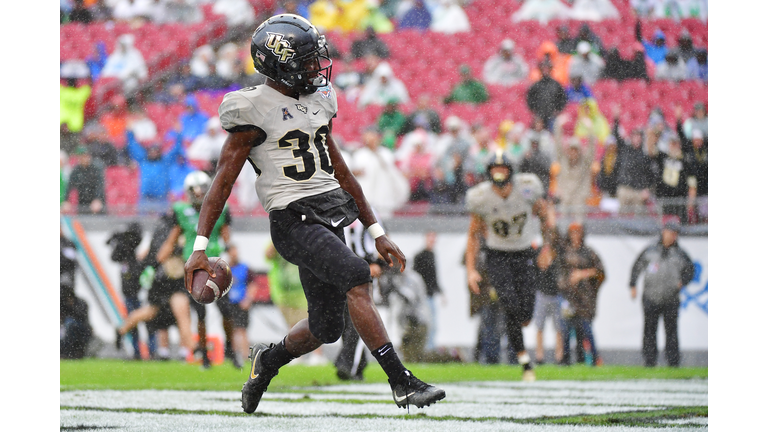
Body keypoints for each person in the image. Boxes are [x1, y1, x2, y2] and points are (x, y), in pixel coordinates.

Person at [184, 14, 445, 413]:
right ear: (278, 63)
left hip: (327, 213)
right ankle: (401, 381)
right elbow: (221, 181)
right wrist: (200, 245)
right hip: (291, 218)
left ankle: (266, 362)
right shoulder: (252, 108)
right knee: (357, 275)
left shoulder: (318, 100)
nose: (314, 68)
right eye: (305, 61)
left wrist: (376, 230)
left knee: (326, 327)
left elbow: (340, 171)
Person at [464, 150, 557, 381]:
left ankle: (523, 356)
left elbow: (546, 217)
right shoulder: (481, 197)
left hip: (524, 252)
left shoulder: (527, 189)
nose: (498, 173)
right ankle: (525, 361)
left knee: (525, 312)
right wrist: (471, 269)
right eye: (494, 169)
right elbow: (474, 235)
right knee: (509, 304)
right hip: (497, 255)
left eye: (502, 169)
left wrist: (548, 247)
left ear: (511, 171)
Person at [156, 171, 232, 368]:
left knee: (226, 310)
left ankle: (231, 348)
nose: (199, 195)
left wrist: (232, 252)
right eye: (195, 191)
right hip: (195, 267)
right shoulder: (181, 211)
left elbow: (227, 237)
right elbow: (172, 239)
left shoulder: (220, 209)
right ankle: (204, 354)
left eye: (202, 191)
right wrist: (157, 260)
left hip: (215, 264)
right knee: (200, 312)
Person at [630, 220, 695, 367]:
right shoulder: (651, 250)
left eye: (675, 234)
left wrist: (683, 281)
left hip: (671, 297)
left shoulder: (680, 253)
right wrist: (632, 284)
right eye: (670, 232)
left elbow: (690, 270)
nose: (672, 236)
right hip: (650, 296)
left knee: (671, 332)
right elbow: (637, 266)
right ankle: (649, 361)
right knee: (649, 330)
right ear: (663, 232)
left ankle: (673, 362)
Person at [556, 222, 605, 366]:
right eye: (573, 233)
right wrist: (566, 283)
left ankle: (595, 358)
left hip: (584, 298)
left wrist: (583, 274)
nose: (575, 236)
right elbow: (559, 273)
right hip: (568, 296)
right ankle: (565, 360)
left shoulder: (589, 253)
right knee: (565, 328)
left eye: (578, 233)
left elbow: (600, 272)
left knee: (586, 329)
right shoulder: (565, 252)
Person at [350, 127, 410, 220]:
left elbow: (389, 167)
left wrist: (375, 150)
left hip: (383, 198)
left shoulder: (385, 153)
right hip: (366, 199)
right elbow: (353, 172)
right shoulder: (359, 154)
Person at [106, 222, 145, 360]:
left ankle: (144, 351)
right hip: (130, 290)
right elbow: (114, 257)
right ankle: (138, 352)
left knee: (142, 320)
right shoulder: (126, 255)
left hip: (137, 290)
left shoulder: (133, 252)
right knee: (136, 321)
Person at [126, 129, 185, 213]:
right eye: (151, 150)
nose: (153, 153)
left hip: (161, 200)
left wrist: (178, 134)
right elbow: (132, 145)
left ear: (159, 152)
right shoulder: (143, 160)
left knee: (163, 223)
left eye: (155, 151)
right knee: (143, 223)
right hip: (145, 199)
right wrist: (130, 131)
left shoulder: (165, 162)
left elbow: (176, 148)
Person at [218, 244, 257, 369]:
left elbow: (253, 284)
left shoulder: (245, 268)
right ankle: (234, 355)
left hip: (241, 303)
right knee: (232, 330)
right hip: (229, 304)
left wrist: (248, 299)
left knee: (241, 329)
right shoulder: (224, 269)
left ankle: (245, 356)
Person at [552, 114, 597, 218]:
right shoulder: (563, 160)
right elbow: (558, 145)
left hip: (579, 197)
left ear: (579, 151)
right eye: (571, 149)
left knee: (578, 225)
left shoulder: (585, 163)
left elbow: (591, 148)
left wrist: (590, 129)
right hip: (565, 196)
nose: (573, 152)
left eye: (575, 150)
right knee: (563, 224)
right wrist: (558, 126)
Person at [60, 231, 93, 359]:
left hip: (66, 288)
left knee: (70, 322)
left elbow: (68, 262)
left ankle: (70, 351)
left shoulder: (68, 243)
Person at [532, 232, 562, 365]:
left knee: (559, 328)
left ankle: (559, 356)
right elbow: (538, 267)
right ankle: (539, 356)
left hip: (556, 294)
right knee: (539, 327)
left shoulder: (558, 254)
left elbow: (557, 274)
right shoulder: (539, 251)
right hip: (542, 294)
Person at [412, 231, 444, 351]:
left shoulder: (432, 255)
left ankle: (429, 348)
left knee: (433, 324)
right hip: (423, 296)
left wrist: (440, 291)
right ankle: (426, 349)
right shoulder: (420, 256)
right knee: (428, 323)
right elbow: (417, 278)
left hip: (430, 295)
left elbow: (434, 277)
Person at [62, 146, 106, 215]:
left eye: (86, 156)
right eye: (82, 156)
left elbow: (100, 186)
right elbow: (69, 186)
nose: (85, 158)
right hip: (82, 204)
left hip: (96, 205)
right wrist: (66, 201)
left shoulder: (96, 169)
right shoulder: (76, 170)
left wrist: (98, 199)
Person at [526, 60, 567, 130]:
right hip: (540, 116)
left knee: (553, 133)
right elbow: (530, 98)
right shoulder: (536, 85)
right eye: (543, 68)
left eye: (547, 68)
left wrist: (558, 110)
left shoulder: (556, 85)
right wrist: (534, 110)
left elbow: (562, 99)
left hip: (552, 116)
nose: (545, 71)